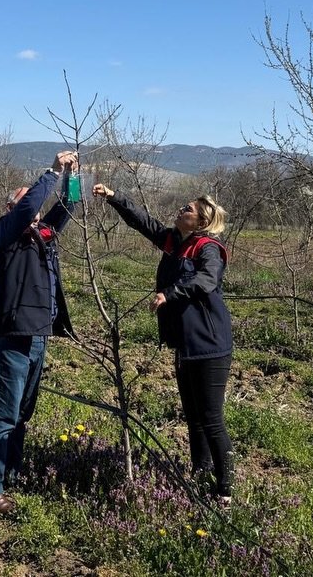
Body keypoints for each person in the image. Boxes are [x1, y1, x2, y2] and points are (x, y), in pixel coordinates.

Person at [93, 183, 235, 505]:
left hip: (210, 345)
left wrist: (170, 293)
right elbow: (143, 222)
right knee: (193, 416)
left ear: (201, 222)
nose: (181, 210)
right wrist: (115, 197)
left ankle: (225, 490)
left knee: (211, 417)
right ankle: (201, 474)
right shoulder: (175, 242)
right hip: (185, 344)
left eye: (188, 209)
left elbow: (207, 279)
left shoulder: (208, 247)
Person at [0, 150, 79, 515]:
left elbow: (69, 206)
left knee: (22, 414)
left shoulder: (43, 235)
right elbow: (29, 204)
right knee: (4, 414)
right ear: (10, 208)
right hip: (11, 336)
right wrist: (50, 172)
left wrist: (72, 176)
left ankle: (10, 473)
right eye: (25, 197)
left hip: (38, 336)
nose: (33, 203)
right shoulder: (6, 233)